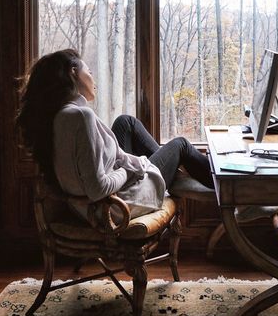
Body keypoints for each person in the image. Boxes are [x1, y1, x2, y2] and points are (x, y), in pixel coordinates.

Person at [16, 49, 214, 220]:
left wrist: (131, 162)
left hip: (94, 204)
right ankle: (223, 183)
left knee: (125, 122)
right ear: (73, 72)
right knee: (181, 145)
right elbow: (98, 189)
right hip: (116, 205)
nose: (93, 78)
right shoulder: (80, 116)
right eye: (89, 71)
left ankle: (173, 176)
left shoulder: (59, 114)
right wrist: (131, 168)